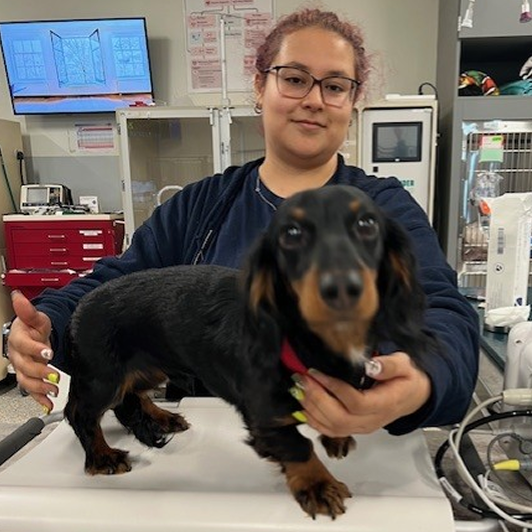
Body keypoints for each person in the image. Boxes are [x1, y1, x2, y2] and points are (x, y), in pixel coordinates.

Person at [6, 8, 479, 437]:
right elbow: (115, 285)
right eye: (294, 78)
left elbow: (443, 312)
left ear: (352, 102)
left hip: (351, 439)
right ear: (260, 87)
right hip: (216, 442)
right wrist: (49, 322)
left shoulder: (384, 209)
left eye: (335, 86)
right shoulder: (201, 207)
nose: (315, 99)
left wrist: (421, 382)